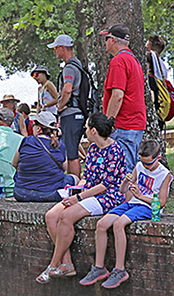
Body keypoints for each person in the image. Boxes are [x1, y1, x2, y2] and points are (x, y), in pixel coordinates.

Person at [38, 113, 126, 284]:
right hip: (87, 192)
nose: (84, 130)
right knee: (51, 215)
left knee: (67, 216)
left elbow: (105, 185)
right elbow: (88, 177)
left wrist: (78, 198)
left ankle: (53, 264)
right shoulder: (93, 149)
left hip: (108, 196)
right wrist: (74, 190)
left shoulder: (116, 151)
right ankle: (67, 263)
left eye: (86, 127)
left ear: (93, 130)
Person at [78, 139, 172, 289]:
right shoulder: (139, 166)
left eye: (149, 163)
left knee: (118, 224)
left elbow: (161, 202)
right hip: (131, 203)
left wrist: (140, 196)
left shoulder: (164, 174)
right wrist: (126, 182)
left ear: (158, 158)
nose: (146, 166)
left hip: (147, 206)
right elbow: (122, 191)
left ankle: (120, 269)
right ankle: (99, 267)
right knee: (101, 224)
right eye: (143, 162)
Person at [100, 24, 147, 173]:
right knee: (130, 168)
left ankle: (125, 197)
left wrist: (108, 121)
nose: (105, 43)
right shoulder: (133, 60)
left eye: (106, 39)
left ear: (113, 40)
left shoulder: (118, 61)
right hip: (135, 123)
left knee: (122, 170)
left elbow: (118, 95)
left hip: (123, 124)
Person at [12, 111, 76, 202]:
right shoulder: (60, 146)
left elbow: (14, 163)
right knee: (72, 178)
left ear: (38, 129)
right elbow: (64, 168)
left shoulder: (26, 141)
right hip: (50, 193)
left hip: (21, 193)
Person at [49, 33, 88, 180]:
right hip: (79, 113)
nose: (54, 51)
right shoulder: (79, 65)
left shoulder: (69, 68)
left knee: (71, 153)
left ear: (62, 48)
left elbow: (67, 89)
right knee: (72, 150)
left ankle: (73, 185)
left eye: (55, 48)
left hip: (71, 113)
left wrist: (60, 106)